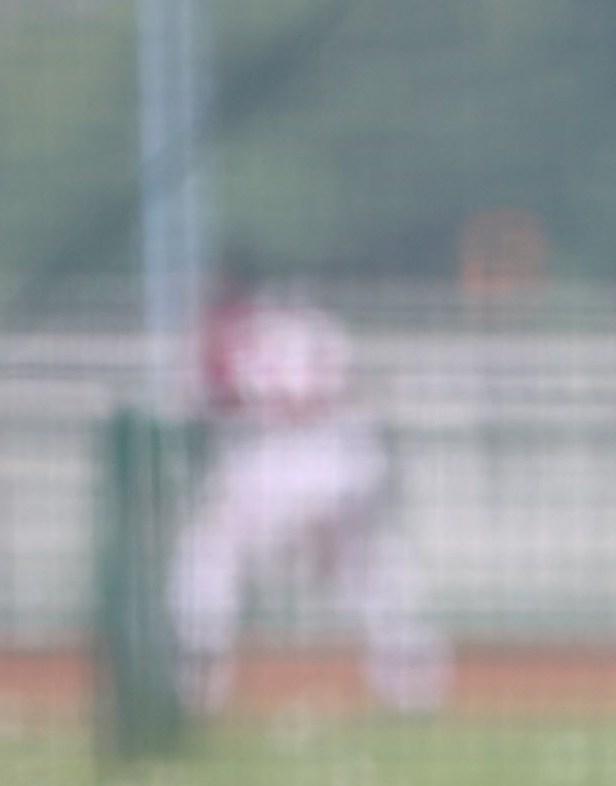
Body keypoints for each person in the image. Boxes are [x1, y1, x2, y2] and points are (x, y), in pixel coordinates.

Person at [170, 269, 442, 716]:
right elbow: (346, 394)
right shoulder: (320, 328)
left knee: (211, 557)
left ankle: (198, 679)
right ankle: (411, 687)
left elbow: (208, 400)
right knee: (372, 574)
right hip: (341, 464)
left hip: (272, 468)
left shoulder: (236, 332)